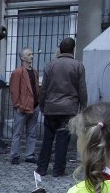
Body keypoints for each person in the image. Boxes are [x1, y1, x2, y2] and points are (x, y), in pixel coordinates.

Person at [37, 37, 87, 178]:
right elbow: (82, 90)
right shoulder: (78, 66)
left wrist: (42, 105)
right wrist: (83, 108)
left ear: (60, 49)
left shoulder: (50, 65)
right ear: (73, 49)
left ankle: (41, 168)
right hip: (69, 108)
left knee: (47, 139)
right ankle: (58, 170)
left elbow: (44, 89)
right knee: (62, 140)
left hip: (51, 107)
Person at [9, 47, 40, 166]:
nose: (31, 56)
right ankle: (15, 155)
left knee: (31, 133)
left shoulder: (35, 72)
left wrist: (38, 103)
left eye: (32, 54)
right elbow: (14, 90)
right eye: (28, 54)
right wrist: (17, 105)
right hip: (22, 108)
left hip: (34, 106)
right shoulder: (17, 72)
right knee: (17, 133)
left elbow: (36, 88)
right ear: (22, 57)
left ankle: (29, 155)